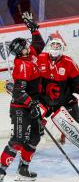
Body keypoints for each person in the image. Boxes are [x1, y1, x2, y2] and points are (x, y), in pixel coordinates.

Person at [37, 37, 79, 157]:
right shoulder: (40, 59)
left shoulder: (68, 62)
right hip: (45, 100)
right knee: (32, 117)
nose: (55, 48)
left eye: (58, 46)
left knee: (73, 125)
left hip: (65, 101)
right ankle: (27, 142)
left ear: (62, 49)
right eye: (53, 45)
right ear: (49, 47)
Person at [0, 12, 45, 182]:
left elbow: (39, 44)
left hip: (32, 104)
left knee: (35, 136)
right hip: (20, 108)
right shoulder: (22, 66)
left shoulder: (30, 55)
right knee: (18, 139)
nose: (28, 46)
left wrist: (32, 28)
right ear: (20, 51)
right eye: (25, 46)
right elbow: (18, 93)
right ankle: (1, 170)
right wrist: (31, 104)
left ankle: (23, 169)